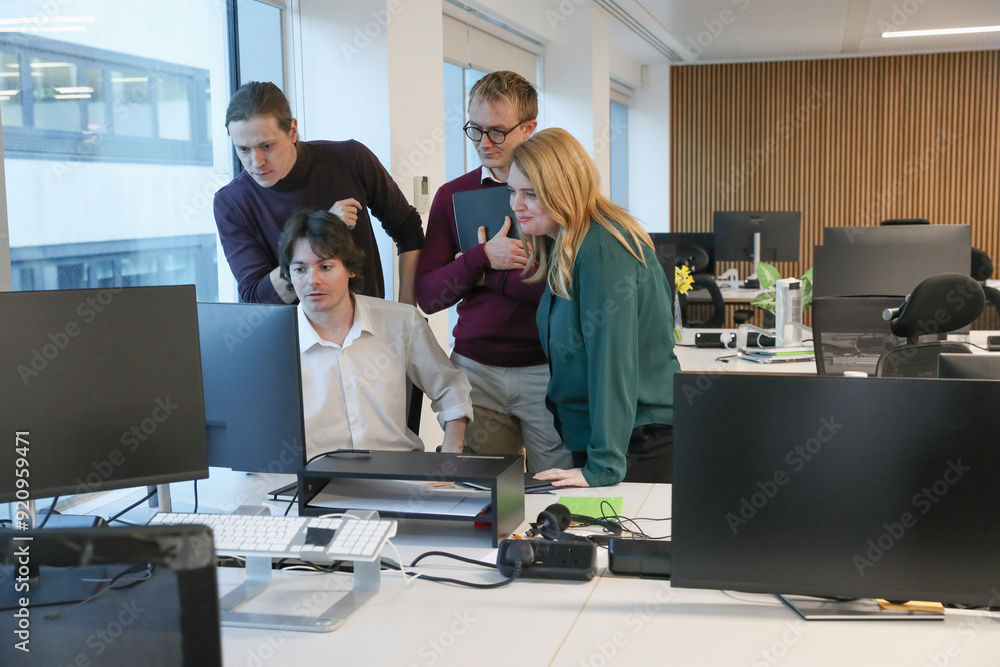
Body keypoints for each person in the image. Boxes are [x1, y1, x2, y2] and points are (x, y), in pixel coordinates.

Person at [414, 71, 572, 473]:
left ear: (529, 129)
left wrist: (490, 276)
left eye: (497, 132)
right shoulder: (454, 195)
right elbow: (430, 295)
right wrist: (481, 257)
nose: (484, 144)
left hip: (547, 371)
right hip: (475, 371)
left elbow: (563, 290)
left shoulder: (558, 197)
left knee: (555, 494)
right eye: (475, 129)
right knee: (483, 497)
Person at [509, 128, 681, 488]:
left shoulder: (602, 249)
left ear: (563, 190)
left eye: (531, 194)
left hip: (631, 444)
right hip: (608, 439)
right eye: (513, 191)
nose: (516, 204)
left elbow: (612, 360)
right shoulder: (567, 244)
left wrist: (602, 465)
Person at [277, 210, 472, 458]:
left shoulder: (401, 322)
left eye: (325, 266)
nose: (312, 280)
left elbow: (450, 387)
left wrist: (451, 450)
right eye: (300, 269)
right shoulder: (275, 342)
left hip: (396, 477)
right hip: (315, 480)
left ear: (350, 269)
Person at [215, 81, 423, 305]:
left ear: (292, 131)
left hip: (369, 330)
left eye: (267, 146)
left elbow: (408, 230)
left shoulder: (351, 158)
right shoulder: (231, 202)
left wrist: (407, 313)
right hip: (294, 337)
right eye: (243, 149)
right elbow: (257, 298)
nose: (257, 162)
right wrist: (324, 229)